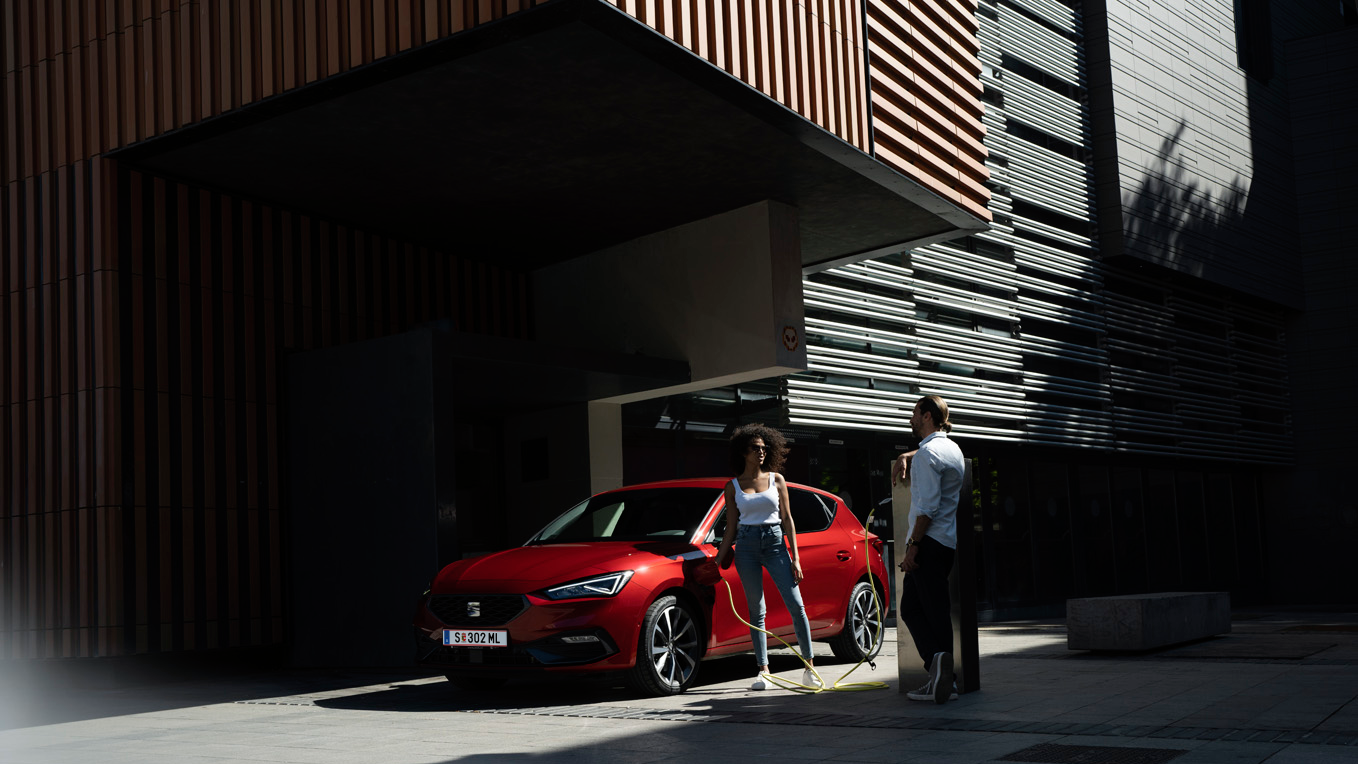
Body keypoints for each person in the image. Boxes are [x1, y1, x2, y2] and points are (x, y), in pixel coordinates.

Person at [714, 423, 821, 691]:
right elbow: (731, 528)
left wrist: (795, 557)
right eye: (755, 448)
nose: (761, 452)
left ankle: (809, 668)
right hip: (746, 547)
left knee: (796, 606)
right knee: (756, 611)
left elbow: (787, 519)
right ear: (743, 452)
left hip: (775, 544)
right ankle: (764, 671)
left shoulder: (777, 479)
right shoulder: (733, 486)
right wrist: (716, 561)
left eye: (764, 448)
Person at [891, 395, 965, 704]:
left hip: (927, 543)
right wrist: (910, 454)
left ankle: (941, 673)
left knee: (917, 610)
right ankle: (943, 674)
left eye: (914, 413)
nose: (911, 418)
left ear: (926, 416)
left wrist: (912, 548)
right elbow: (932, 456)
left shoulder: (926, 455)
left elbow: (925, 509)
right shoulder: (952, 449)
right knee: (929, 610)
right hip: (946, 542)